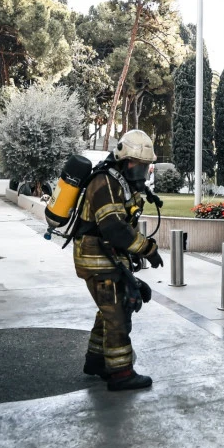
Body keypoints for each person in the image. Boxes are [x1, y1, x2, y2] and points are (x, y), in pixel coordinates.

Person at [75, 129, 163, 391]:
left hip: (106, 259)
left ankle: (96, 361)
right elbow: (114, 228)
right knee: (117, 316)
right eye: (142, 165)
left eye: (148, 166)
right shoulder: (105, 184)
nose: (145, 171)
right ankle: (121, 373)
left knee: (109, 311)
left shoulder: (120, 182)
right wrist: (146, 249)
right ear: (127, 161)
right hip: (97, 262)